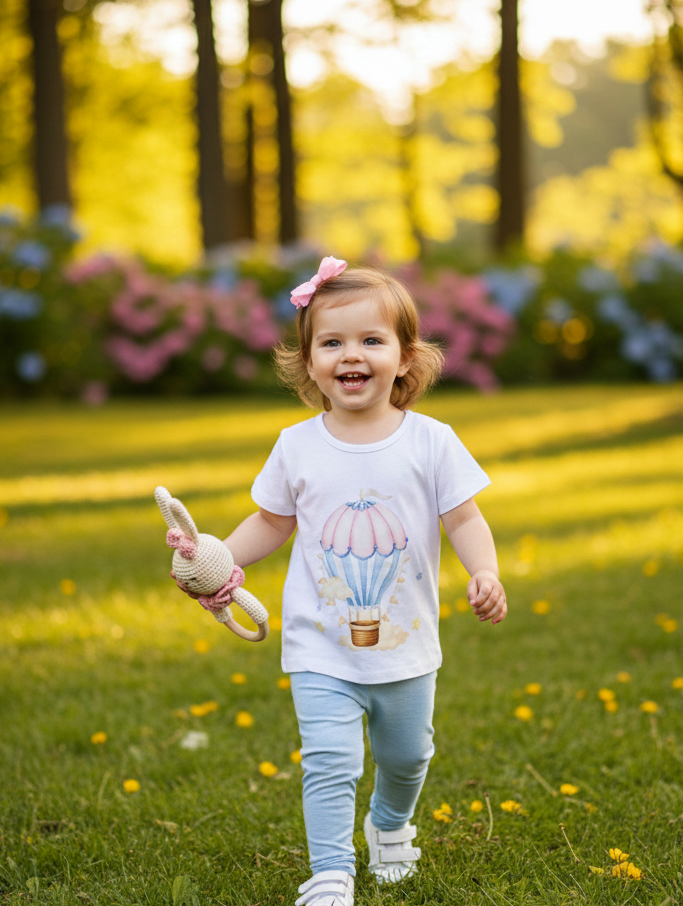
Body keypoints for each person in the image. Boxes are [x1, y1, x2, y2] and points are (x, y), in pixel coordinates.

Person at [173, 256, 507, 906]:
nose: (350, 355)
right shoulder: (297, 445)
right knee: (331, 761)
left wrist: (485, 571)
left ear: (404, 358)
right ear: (309, 362)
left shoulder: (431, 441)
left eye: (370, 340)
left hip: (405, 645)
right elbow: (271, 522)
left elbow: (464, 517)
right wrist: (215, 559)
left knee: (407, 756)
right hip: (319, 644)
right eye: (331, 343)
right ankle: (330, 872)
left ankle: (389, 823)